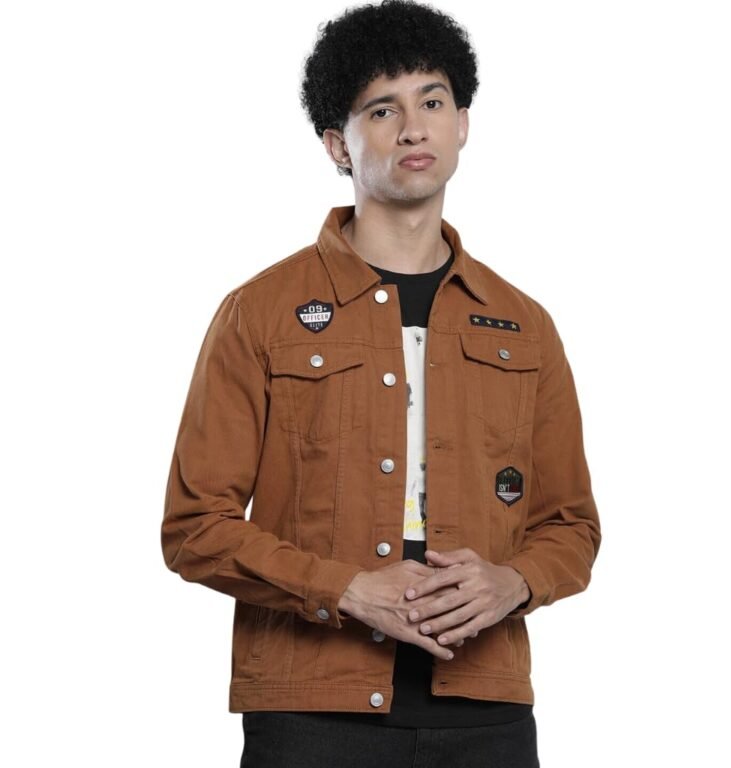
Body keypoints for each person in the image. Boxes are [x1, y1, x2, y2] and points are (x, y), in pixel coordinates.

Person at [161, 1, 601, 765]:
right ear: (338, 144)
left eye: (433, 102)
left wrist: (515, 582)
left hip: (485, 713)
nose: (413, 128)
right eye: (382, 110)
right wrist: (343, 589)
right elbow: (195, 526)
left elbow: (572, 525)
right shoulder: (259, 313)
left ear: (462, 124)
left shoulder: (525, 324)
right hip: (311, 714)